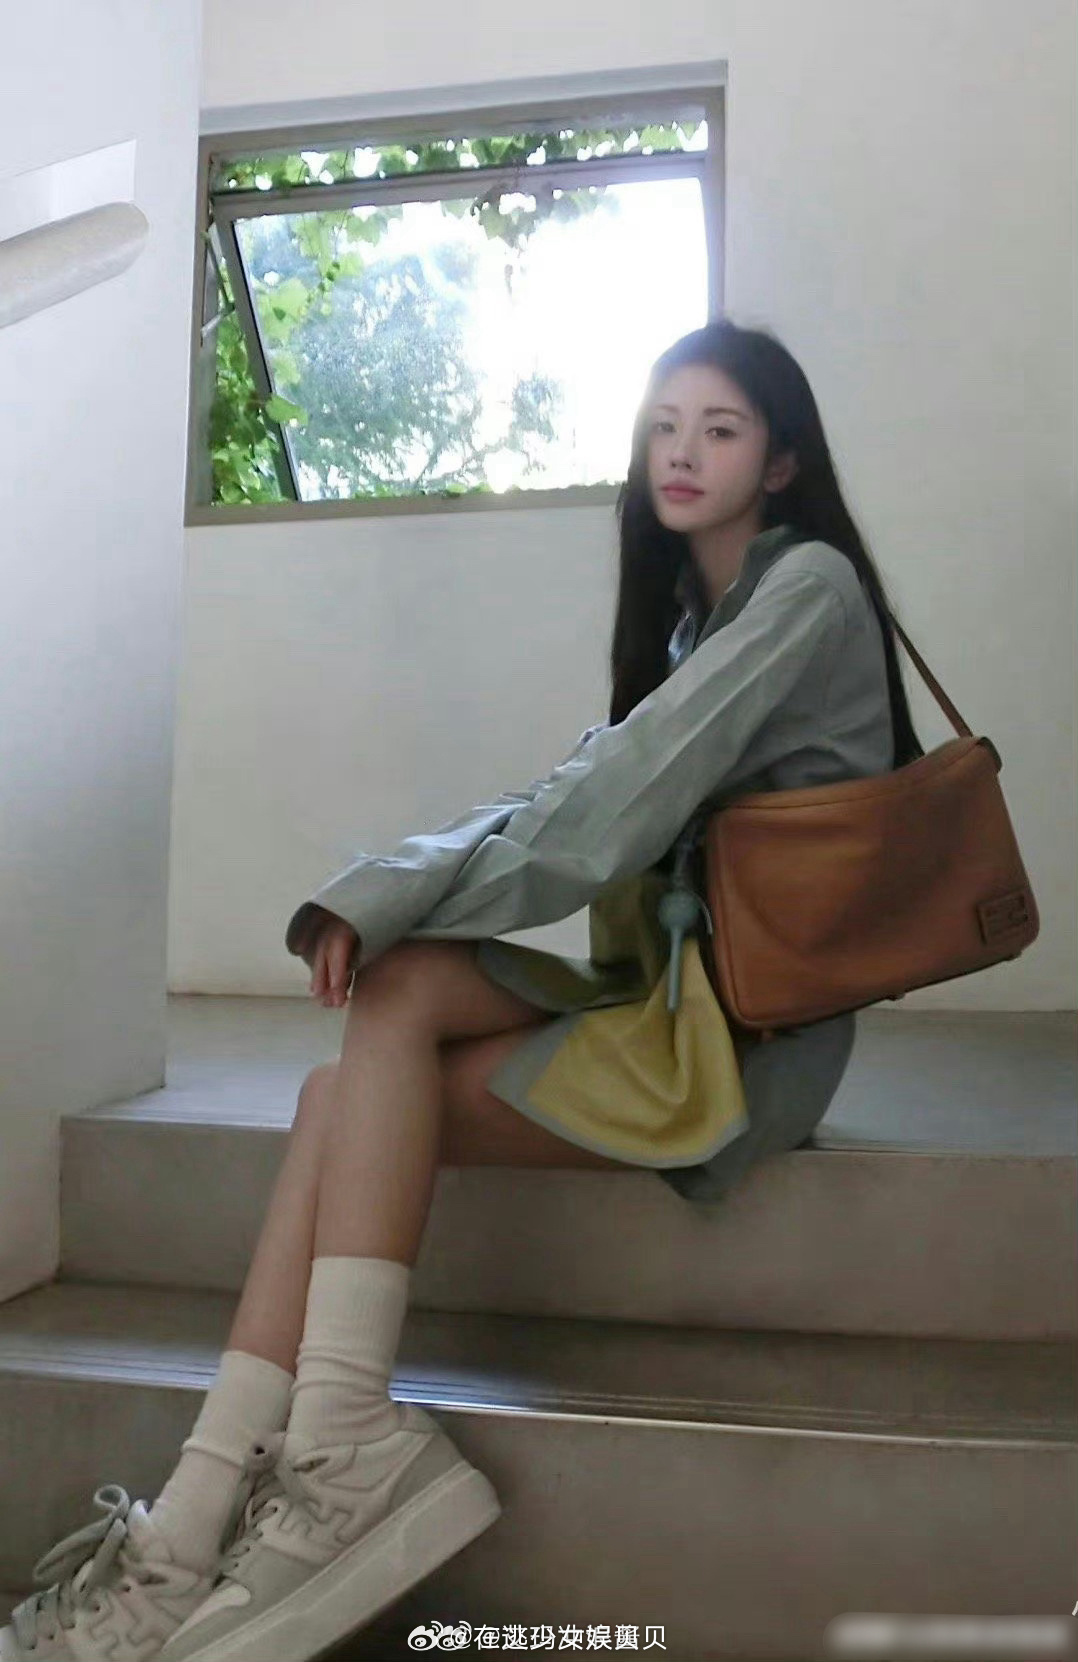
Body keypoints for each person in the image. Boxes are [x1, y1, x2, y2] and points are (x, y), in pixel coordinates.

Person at [3, 318, 923, 1662]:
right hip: (658, 997)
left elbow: (606, 811)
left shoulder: (809, 590)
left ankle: (307, 1464)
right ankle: (209, 1512)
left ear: (780, 462)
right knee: (372, 1033)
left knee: (355, 1077)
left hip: (743, 1041)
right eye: (663, 425)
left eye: (719, 429)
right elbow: (575, 784)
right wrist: (387, 893)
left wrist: (390, 888)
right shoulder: (691, 618)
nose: (680, 452)